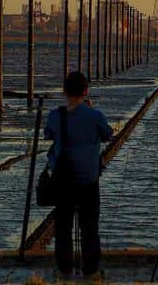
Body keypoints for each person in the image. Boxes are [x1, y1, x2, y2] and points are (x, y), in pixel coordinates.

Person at [45, 71, 113, 279]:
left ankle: (64, 270)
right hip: (89, 180)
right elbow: (107, 134)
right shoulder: (95, 116)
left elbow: (48, 134)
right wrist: (90, 112)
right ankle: (91, 270)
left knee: (63, 227)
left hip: (63, 179)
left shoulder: (56, 115)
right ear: (86, 91)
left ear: (65, 91)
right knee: (90, 227)